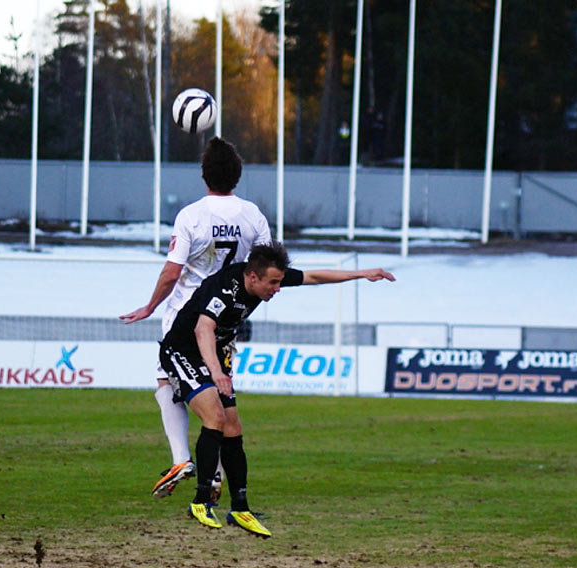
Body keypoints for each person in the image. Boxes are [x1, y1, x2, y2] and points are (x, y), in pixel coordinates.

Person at [160, 242, 395, 537]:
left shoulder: (264, 281)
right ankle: (201, 501)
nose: (278, 289)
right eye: (273, 283)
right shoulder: (225, 287)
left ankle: (240, 509)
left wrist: (361, 274)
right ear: (253, 277)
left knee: (233, 428)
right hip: (184, 350)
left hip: (215, 353)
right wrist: (217, 372)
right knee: (215, 418)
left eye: (280, 282)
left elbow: (314, 277)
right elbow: (202, 328)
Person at [120, 136, 271, 500]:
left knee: (165, 381)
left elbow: (172, 273)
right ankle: (215, 473)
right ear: (237, 176)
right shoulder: (253, 215)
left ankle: (182, 459)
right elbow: (266, 264)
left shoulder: (192, 215)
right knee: (216, 390)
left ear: (204, 176)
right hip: (226, 318)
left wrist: (150, 306)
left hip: (186, 315)